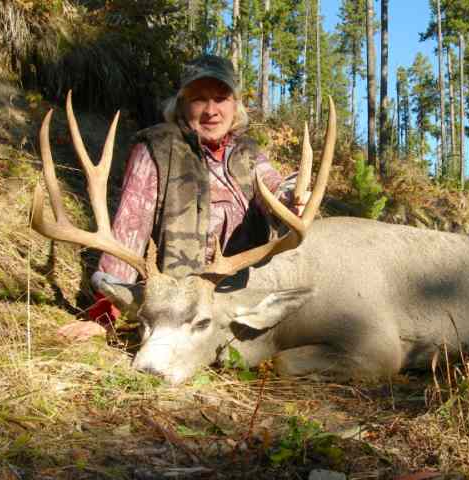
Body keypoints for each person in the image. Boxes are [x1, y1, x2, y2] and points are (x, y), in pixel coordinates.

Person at [59, 55, 306, 340]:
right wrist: (105, 313)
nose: (211, 110)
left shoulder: (246, 153)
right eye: (199, 99)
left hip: (240, 297)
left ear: (235, 106)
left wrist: (293, 198)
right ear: (181, 105)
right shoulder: (158, 148)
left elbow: (274, 189)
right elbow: (130, 227)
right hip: (180, 301)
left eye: (221, 98)